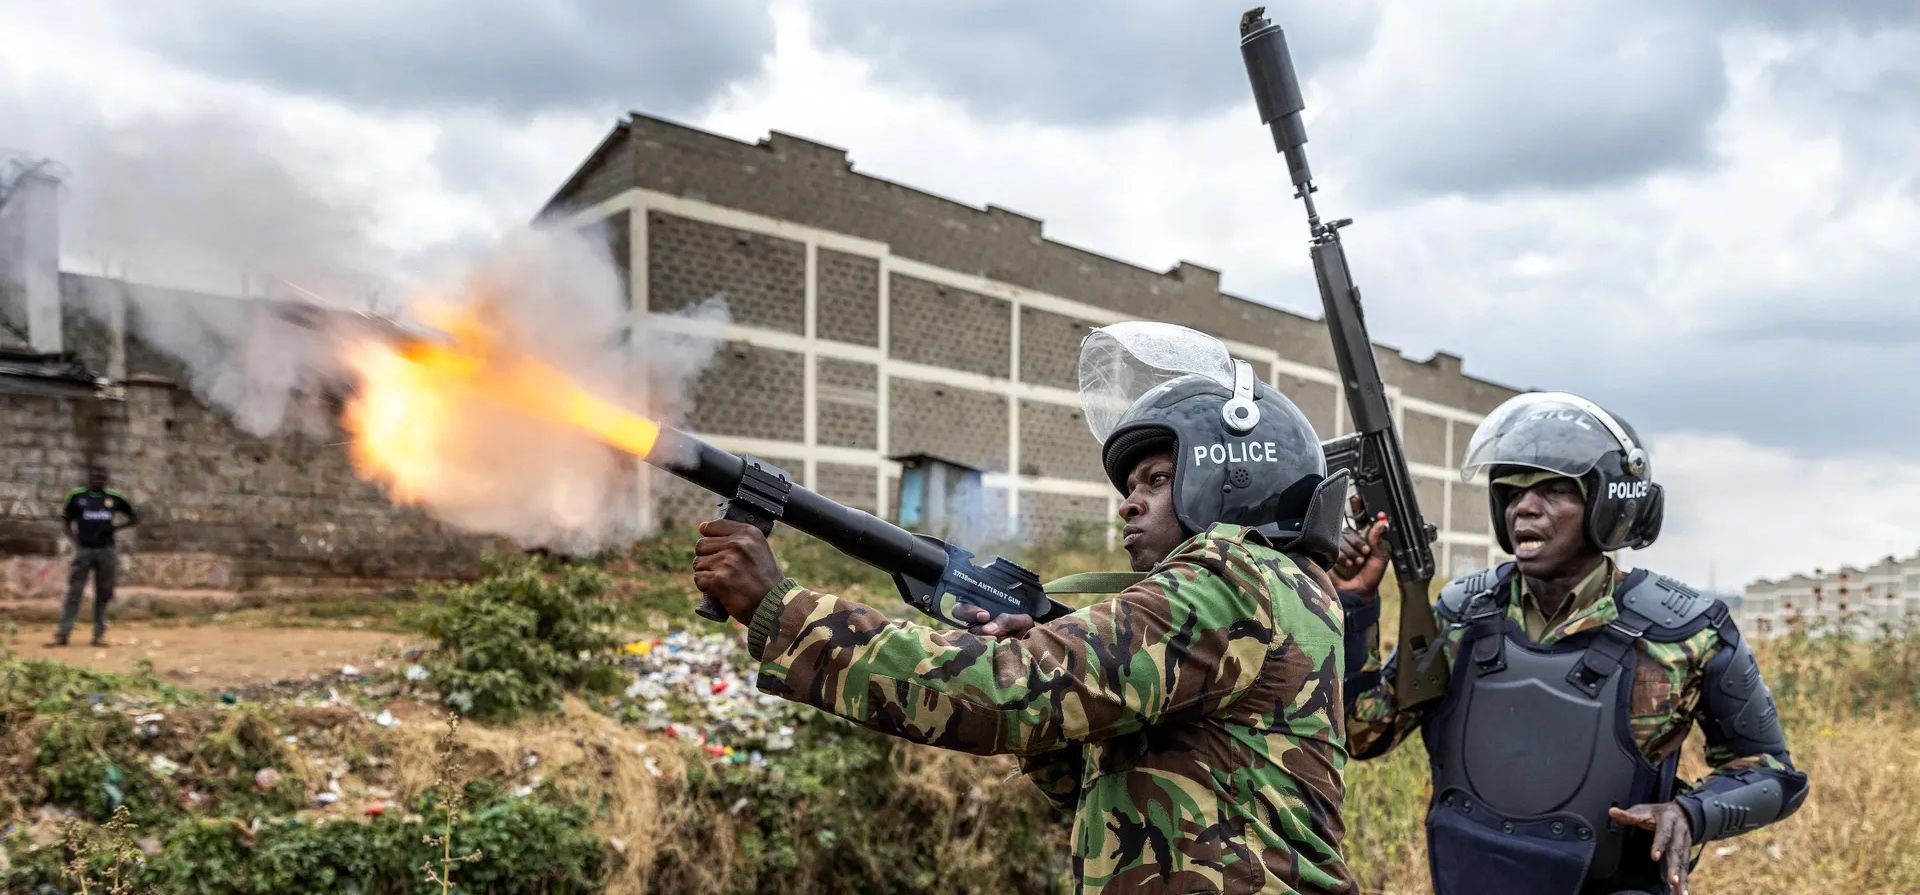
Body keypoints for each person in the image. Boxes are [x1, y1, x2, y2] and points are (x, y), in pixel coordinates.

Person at [692, 324, 1357, 894]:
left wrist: (784, 612)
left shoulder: (1232, 579)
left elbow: (1008, 694)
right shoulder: (1274, 590)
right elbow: (1104, 788)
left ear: (1234, 473)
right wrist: (1048, 678)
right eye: (1130, 486)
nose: (1128, 503)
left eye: (1156, 480)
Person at [1336, 392, 1807, 895]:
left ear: (1609, 504)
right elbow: (1363, 734)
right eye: (1512, 493)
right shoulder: (1463, 615)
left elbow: (1772, 774)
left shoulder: (1685, 632)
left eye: (1555, 490)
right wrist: (1356, 604)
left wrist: (1691, 813)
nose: (1525, 508)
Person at [54, 466, 138, 647]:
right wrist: (74, 540)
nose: (98, 480)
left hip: (106, 551)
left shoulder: (113, 498)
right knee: (74, 591)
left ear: (105, 480)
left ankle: (98, 635)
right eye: (94, 477)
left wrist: (115, 528)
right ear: (88, 478)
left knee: (104, 593)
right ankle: (63, 633)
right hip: (84, 551)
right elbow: (65, 521)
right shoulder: (77, 496)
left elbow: (135, 517)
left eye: (101, 477)